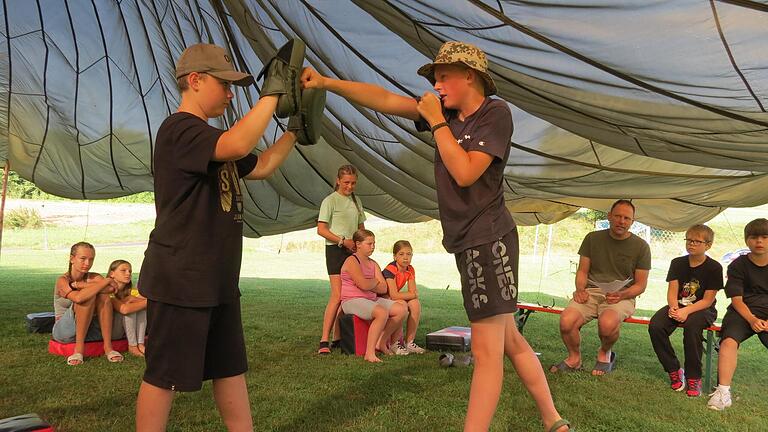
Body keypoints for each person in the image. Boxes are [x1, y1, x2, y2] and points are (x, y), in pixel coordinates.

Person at [302, 41, 569, 431]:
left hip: (487, 240)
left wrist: (438, 123)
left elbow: (464, 172)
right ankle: (553, 420)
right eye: (435, 79)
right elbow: (385, 100)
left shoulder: (495, 114)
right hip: (470, 241)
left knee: (486, 351)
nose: (438, 85)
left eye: (444, 76)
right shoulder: (444, 113)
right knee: (509, 339)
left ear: (470, 76)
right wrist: (326, 82)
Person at [135, 41, 305, 432]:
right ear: (194, 81)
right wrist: (272, 94)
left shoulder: (211, 140)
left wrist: (294, 131)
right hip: (181, 279)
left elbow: (260, 165)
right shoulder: (179, 130)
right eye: (224, 84)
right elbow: (238, 143)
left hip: (217, 280)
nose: (231, 93)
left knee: (230, 369)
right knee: (165, 376)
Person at [550, 200, 650, 377]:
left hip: (623, 295)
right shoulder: (592, 238)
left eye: (627, 218)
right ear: (609, 216)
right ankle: (574, 359)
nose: (621, 221)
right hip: (591, 291)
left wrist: (622, 295)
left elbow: (640, 285)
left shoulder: (641, 246)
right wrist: (580, 289)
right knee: (567, 321)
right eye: (618, 216)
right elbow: (582, 271)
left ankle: (605, 353)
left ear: (632, 222)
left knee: (607, 324)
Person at [648, 225, 722, 397]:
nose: (692, 244)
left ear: (708, 245)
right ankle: (673, 369)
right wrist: (674, 307)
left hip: (703, 309)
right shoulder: (677, 263)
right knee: (656, 325)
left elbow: (708, 300)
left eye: (697, 241)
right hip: (678, 305)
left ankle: (694, 377)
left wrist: (686, 312)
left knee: (692, 328)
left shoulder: (714, 267)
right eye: (689, 240)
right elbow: (672, 291)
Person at [708, 218, 768, 411]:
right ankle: (723, 393)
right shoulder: (738, 265)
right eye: (754, 237)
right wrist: (752, 319)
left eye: (765, 237)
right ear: (746, 240)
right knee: (728, 342)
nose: (759, 241)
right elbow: (736, 299)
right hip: (743, 311)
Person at [316, 164, 366, 354]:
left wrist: (364, 245)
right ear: (338, 180)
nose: (350, 186)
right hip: (336, 251)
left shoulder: (356, 200)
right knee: (337, 296)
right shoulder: (330, 201)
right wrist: (342, 241)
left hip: (354, 250)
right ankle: (323, 341)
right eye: (346, 182)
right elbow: (321, 229)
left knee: (349, 296)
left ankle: (338, 338)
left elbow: (361, 228)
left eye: (353, 183)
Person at [52, 242, 125, 365]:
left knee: (104, 297)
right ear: (72, 259)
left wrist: (78, 285)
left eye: (91, 259)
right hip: (65, 331)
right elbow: (79, 298)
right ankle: (79, 350)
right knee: (88, 297)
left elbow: (111, 289)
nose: (87, 263)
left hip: (90, 329)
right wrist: (106, 281)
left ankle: (108, 348)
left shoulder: (94, 277)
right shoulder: (62, 280)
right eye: (83, 258)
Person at [340, 229, 407, 362]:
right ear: (358, 244)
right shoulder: (352, 261)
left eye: (374, 243)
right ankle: (369, 353)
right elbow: (363, 285)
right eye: (369, 243)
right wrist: (374, 281)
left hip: (371, 299)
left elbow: (383, 288)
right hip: (352, 300)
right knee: (381, 313)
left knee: (402, 310)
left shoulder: (373, 263)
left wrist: (370, 283)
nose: (373, 247)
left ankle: (381, 342)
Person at [381, 240, 426, 354]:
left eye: (409, 254)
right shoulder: (390, 269)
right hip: (381, 298)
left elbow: (412, 292)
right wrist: (413, 294)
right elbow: (394, 294)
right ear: (395, 256)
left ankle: (409, 342)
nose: (405, 257)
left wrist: (413, 294)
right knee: (403, 305)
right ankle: (395, 344)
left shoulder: (410, 269)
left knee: (415, 303)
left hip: (391, 297)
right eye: (401, 254)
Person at [108, 260, 148, 357]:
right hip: (112, 331)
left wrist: (133, 299)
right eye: (123, 270)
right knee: (130, 309)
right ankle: (132, 346)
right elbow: (124, 310)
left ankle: (140, 344)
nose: (128, 273)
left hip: (125, 331)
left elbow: (142, 301)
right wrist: (150, 302)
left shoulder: (129, 292)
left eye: (130, 271)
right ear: (112, 274)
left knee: (140, 308)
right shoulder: (108, 291)